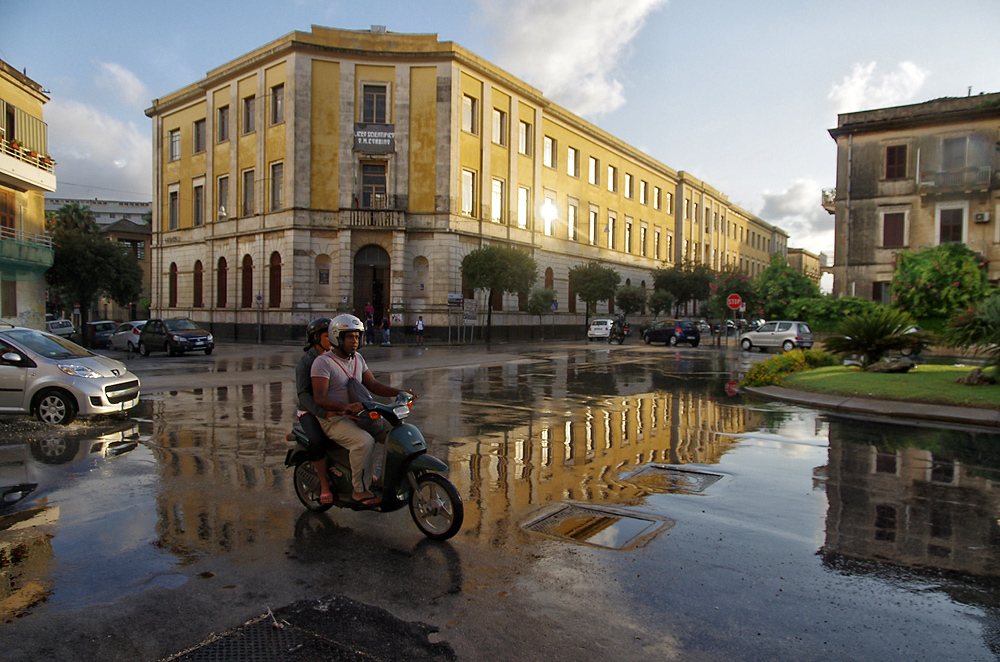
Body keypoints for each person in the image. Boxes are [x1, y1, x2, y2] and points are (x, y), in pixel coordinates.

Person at [311, 314, 414, 505]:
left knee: (397, 435)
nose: (354, 341)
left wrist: (399, 392)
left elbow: (373, 385)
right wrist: (346, 407)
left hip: (359, 414)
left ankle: (383, 480)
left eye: (357, 337)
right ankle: (359, 490)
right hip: (334, 419)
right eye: (349, 337)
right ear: (337, 338)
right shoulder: (323, 363)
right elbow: (320, 398)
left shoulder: (358, 358)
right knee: (364, 442)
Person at [295, 317, 336, 503]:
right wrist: (321, 412)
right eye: (327, 336)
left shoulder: (334, 356)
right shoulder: (306, 362)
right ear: (315, 338)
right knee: (318, 441)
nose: (331, 340)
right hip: (310, 411)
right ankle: (323, 483)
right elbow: (303, 394)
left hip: (330, 407)